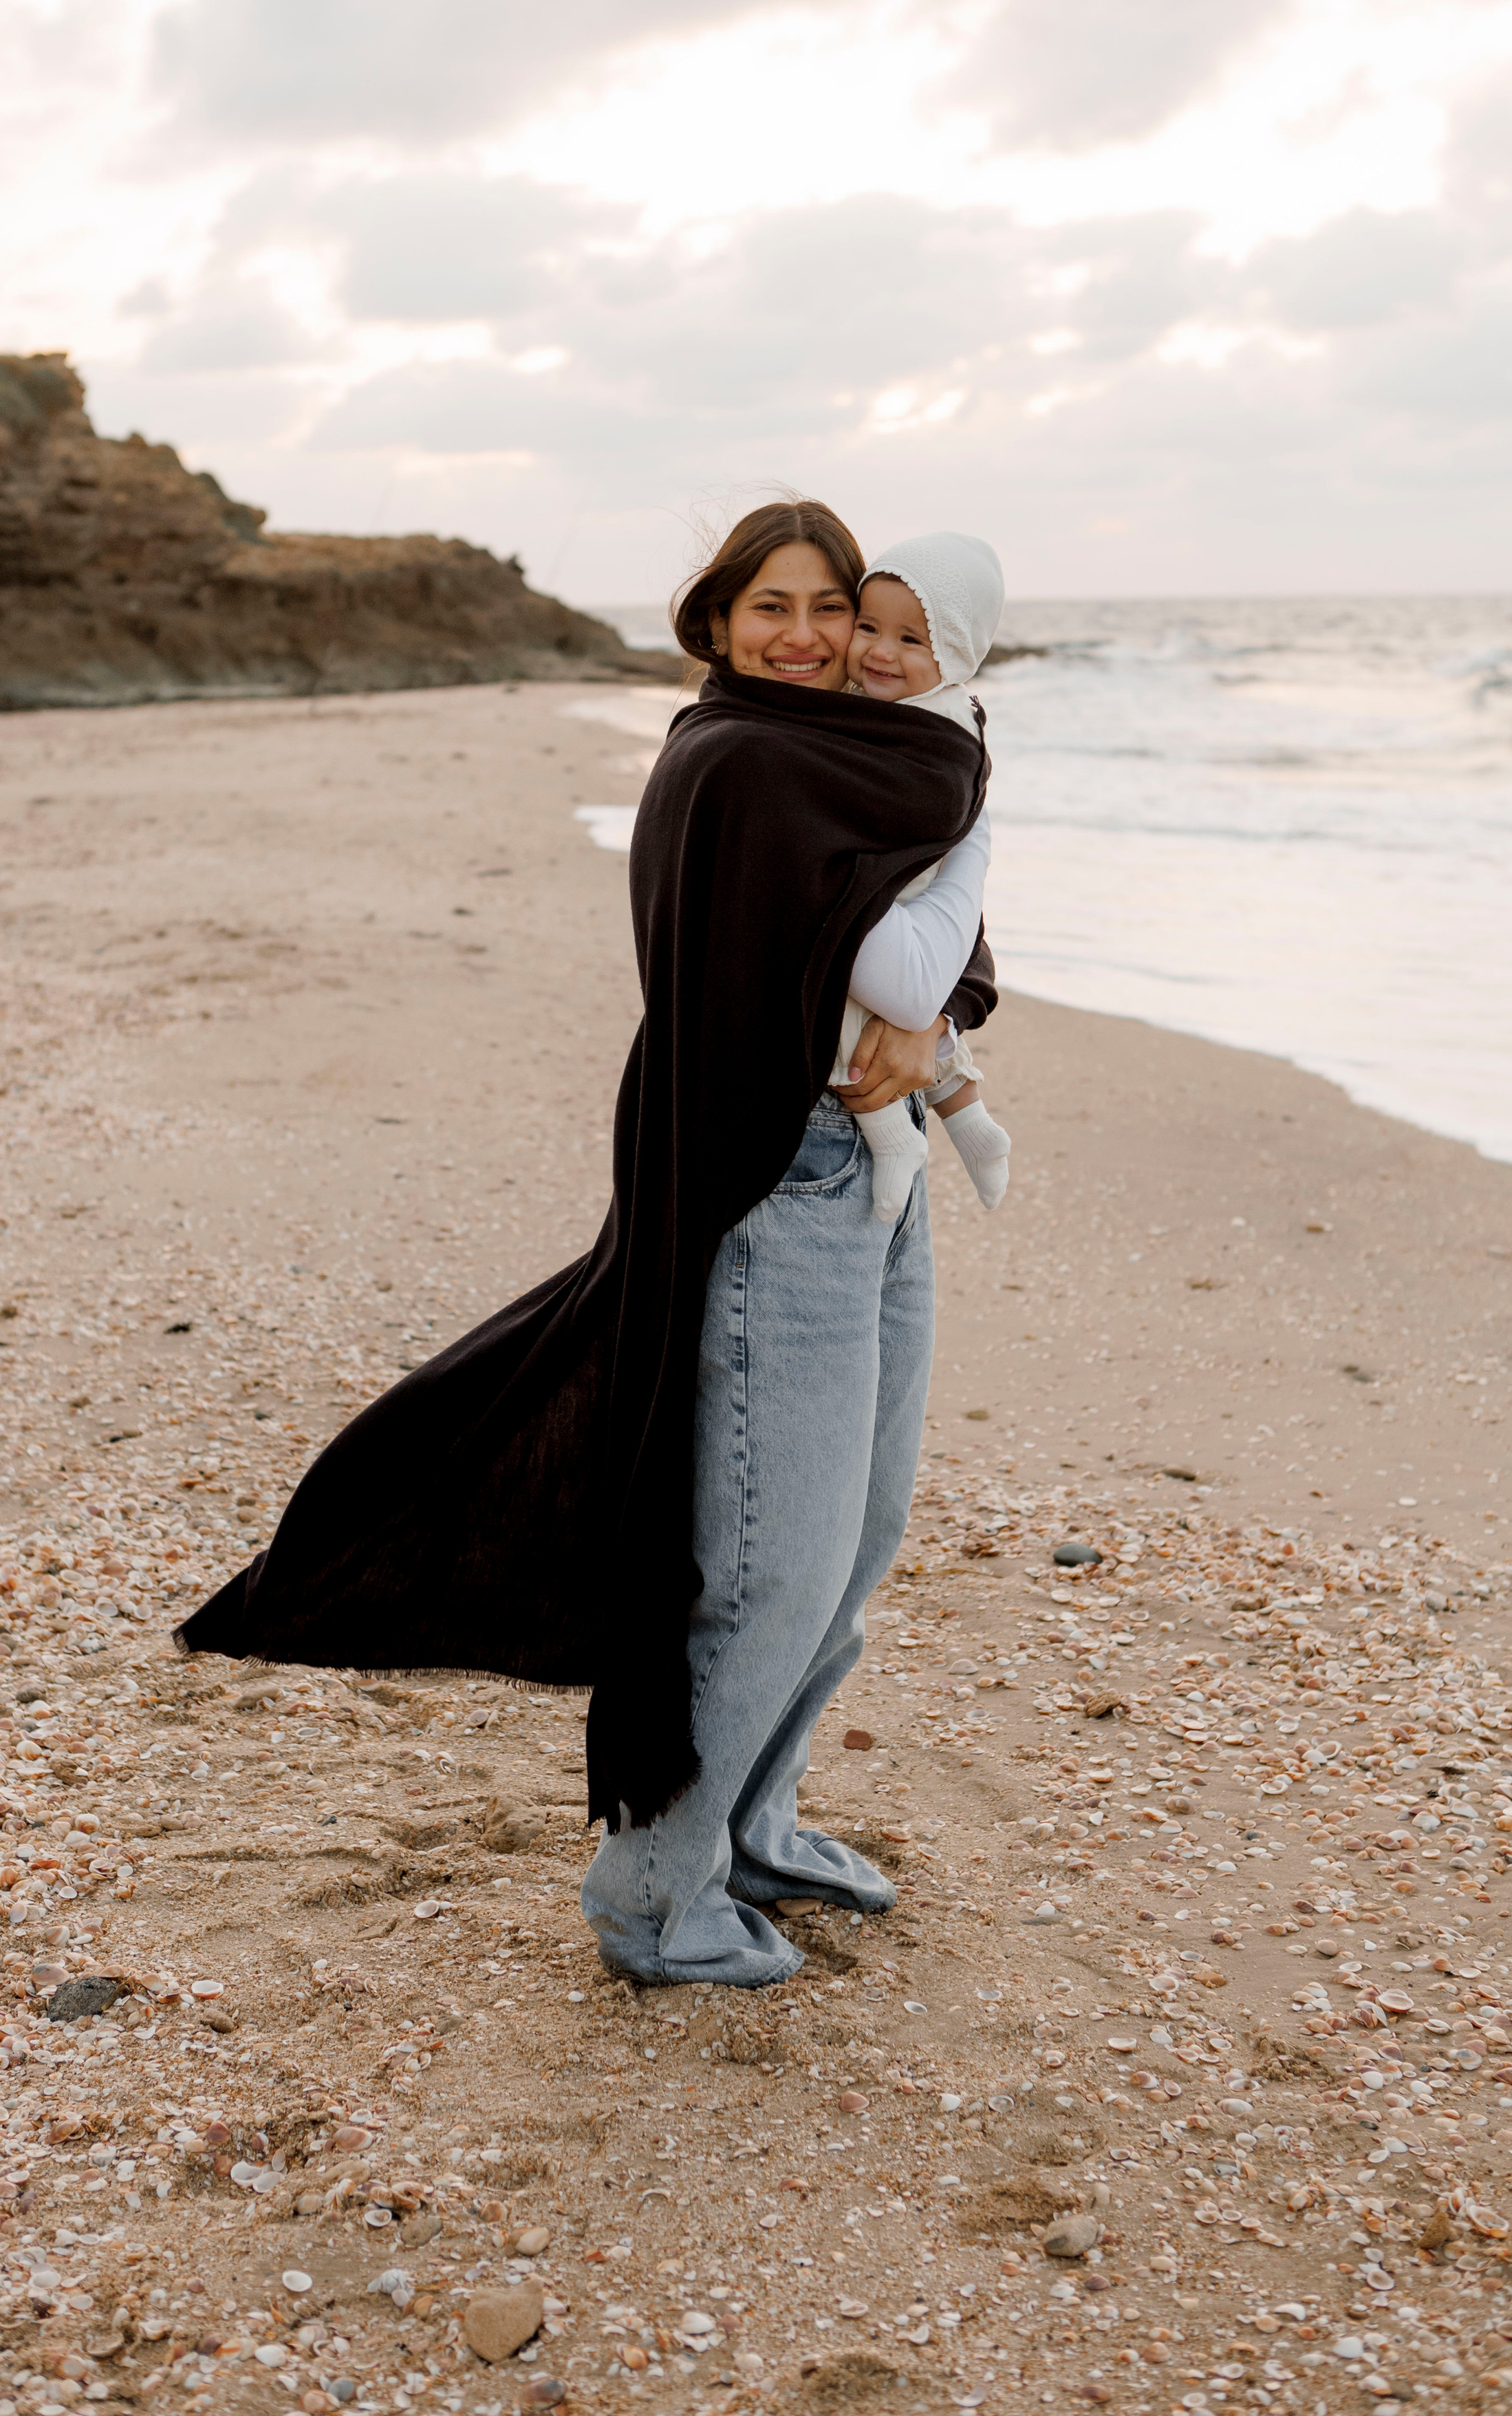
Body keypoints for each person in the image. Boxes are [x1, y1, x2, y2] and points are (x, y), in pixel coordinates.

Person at [174, 496, 997, 1996]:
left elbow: (924, 936)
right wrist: (918, 997)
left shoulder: (866, 756)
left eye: (836, 608)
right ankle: (652, 1889)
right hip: (766, 1186)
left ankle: (756, 1824)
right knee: (771, 1569)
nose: (809, 638)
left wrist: (939, 1017)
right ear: (717, 621)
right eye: (776, 609)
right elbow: (873, 942)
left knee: (861, 1540)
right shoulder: (734, 759)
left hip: (880, 1178)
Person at [827, 533, 1015, 1222]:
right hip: (908, 885)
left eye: (911, 640)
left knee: (832, 991)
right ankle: (967, 1119)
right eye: (868, 627)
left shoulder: (937, 727)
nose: (879, 652)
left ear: (957, 654)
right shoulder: (921, 705)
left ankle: (888, 1133)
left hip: (895, 883)